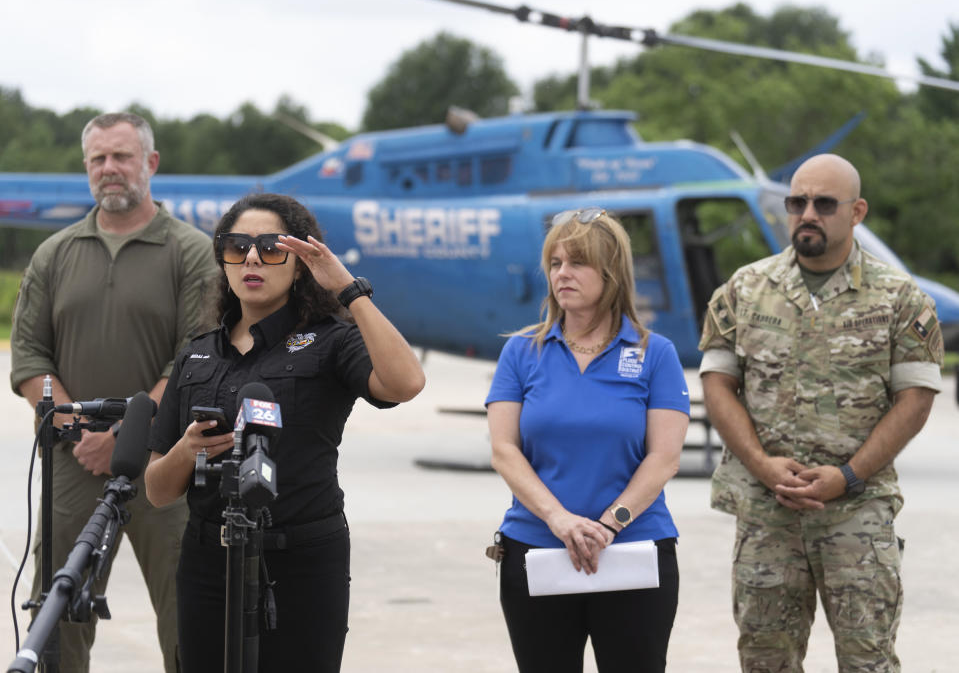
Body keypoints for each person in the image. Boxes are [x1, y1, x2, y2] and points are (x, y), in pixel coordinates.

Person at [144, 192, 425, 672]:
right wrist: (187, 450)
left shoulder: (330, 341)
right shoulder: (195, 355)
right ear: (224, 262)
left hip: (303, 561)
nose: (252, 257)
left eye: (273, 247)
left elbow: (406, 383)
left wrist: (348, 291)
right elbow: (156, 490)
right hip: (209, 560)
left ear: (299, 265)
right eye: (237, 247)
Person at [699, 153, 944, 672]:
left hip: (857, 515)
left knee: (867, 661)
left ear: (856, 212)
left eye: (823, 203)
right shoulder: (744, 290)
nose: (807, 213)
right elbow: (718, 385)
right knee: (766, 662)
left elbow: (916, 399)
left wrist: (848, 475)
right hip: (768, 513)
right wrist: (762, 465)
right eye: (797, 202)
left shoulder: (900, 298)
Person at [10, 112, 218, 672]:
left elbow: (194, 355)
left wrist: (129, 433)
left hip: (163, 464)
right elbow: (30, 356)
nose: (110, 169)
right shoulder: (55, 254)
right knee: (57, 616)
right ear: (86, 168)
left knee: (189, 615)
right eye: (98, 158)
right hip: (73, 465)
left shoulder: (191, 251)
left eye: (122, 156)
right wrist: (73, 424)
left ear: (149, 163)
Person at [485, 207, 690, 673]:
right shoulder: (521, 351)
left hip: (634, 549)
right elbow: (504, 450)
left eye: (576, 262)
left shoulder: (654, 353)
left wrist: (608, 526)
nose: (563, 274)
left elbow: (664, 458)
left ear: (610, 272)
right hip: (537, 548)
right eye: (555, 263)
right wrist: (561, 521)